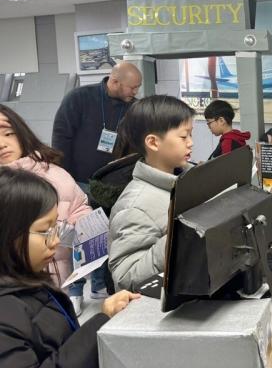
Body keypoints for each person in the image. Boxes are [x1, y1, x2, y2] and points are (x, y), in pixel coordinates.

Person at [0, 167, 139, 368]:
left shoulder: (29, 283)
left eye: (55, 227)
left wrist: (103, 318)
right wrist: (99, 323)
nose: (56, 240)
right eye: (44, 231)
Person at [0, 105, 90, 315]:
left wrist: (82, 224)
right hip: (11, 295)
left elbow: (79, 206)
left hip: (59, 280)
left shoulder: (54, 174)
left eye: (8, 134)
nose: (2, 144)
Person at [108, 95, 195, 291]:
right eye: (183, 136)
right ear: (154, 143)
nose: (190, 143)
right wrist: (177, 238)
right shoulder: (135, 206)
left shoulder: (187, 181)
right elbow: (125, 277)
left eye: (191, 135)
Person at [52, 61, 142, 187]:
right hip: (78, 180)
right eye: (132, 88)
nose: (136, 92)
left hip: (114, 183)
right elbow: (61, 138)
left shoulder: (135, 107)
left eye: (138, 87)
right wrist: (63, 176)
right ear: (115, 82)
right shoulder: (79, 97)